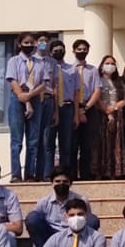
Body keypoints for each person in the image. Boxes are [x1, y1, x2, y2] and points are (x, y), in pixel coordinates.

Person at [5, 31, 47, 183]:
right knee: (16, 140)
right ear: (19, 44)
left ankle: (30, 174)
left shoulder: (40, 62)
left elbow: (44, 83)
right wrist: (23, 97)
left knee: (33, 140)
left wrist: (30, 96)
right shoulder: (14, 61)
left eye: (31, 43)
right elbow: (13, 81)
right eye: (26, 43)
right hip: (17, 99)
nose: (29, 45)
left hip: (35, 98)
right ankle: (16, 174)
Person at [29, 167, 97, 247]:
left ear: (70, 184)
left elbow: (88, 221)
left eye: (65, 181)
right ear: (52, 183)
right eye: (57, 181)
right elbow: (35, 226)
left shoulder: (81, 200)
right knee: (32, 217)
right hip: (49, 237)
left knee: (92, 220)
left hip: (74, 234)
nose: (61, 184)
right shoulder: (43, 202)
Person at [69, 39, 102, 181]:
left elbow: (97, 90)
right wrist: (77, 110)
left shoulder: (93, 70)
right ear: (73, 50)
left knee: (87, 145)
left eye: (85, 49)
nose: (82, 51)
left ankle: (85, 175)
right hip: (72, 108)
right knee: (72, 144)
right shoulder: (68, 69)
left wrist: (86, 107)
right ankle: (71, 175)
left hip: (89, 108)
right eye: (79, 49)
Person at [29, 32, 59, 182]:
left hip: (48, 100)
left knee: (46, 139)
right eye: (41, 41)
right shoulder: (31, 60)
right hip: (34, 99)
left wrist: (55, 110)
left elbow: (54, 86)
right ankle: (30, 173)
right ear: (35, 43)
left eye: (46, 41)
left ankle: (43, 173)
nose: (44, 43)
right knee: (34, 139)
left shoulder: (52, 62)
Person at [49, 40, 80, 181]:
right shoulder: (47, 68)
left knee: (66, 144)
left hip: (67, 107)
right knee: (48, 143)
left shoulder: (72, 69)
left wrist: (76, 115)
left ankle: (65, 174)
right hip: (50, 107)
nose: (58, 52)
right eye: (55, 50)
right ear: (50, 52)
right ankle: (48, 174)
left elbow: (75, 93)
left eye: (61, 49)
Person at [95, 54, 125, 180]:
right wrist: (107, 112)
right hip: (101, 116)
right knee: (103, 143)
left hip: (117, 115)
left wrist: (113, 109)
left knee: (116, 143)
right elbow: (97, 98)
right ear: (102, 66)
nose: (110, 66)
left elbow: (124, 100)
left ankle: (116, 172)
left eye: (113, 64)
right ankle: (102, 172)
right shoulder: (98, 79)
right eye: (107, 63)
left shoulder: (119, 81)